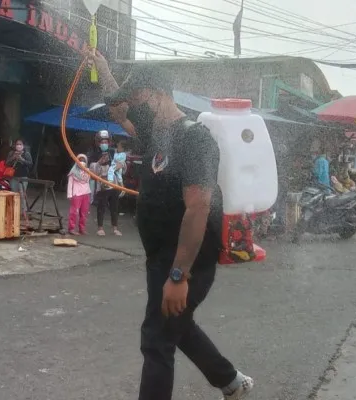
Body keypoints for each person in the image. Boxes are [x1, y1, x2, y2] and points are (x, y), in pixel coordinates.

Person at [89, 51, 253, 400]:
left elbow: (198, 208)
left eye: (137, 99)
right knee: (178, 326)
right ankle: (231, 382)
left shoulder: (195, 139)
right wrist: (102, 66)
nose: (130, 108)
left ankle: (230, 382)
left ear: (156, 94)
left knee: (158, 340)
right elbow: (117, 108)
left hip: (188, 262)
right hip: (160, 256)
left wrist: (178, 277)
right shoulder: (155, 135)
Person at [90, 150, 122, 236]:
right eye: (103, 156)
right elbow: (92, 175)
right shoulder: (95, 164)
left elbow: (123, 168)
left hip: (114, 188)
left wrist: (119, 166)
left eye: (107, 156)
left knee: (114, 208)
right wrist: (99, 163)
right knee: (101, 208)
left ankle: (115, 228)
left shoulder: (113, 163)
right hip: (103, 189)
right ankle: (100, 228)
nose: (105, 158)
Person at [6, 139, 33, 214]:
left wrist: (22, 159)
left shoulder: (26, 154)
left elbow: (30, 164)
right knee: (13, 194)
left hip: (23, 177)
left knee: (22, 195)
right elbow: (7, 163)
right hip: (13, 177)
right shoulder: (11, 153)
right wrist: (13, 158)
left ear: (23, 146)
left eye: (20, 144)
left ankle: (23, 212)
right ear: (15, 145)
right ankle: (13, 211)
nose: (18, 146)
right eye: (17, 144)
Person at [67, 154, 91, 235]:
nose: (82, 162)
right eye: (80, 160)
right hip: (76, 194)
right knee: (74, 212)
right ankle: (71, 228)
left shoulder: (88, 171)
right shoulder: (73, 172)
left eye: (84, 161)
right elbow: (70, 184)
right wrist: (70, 195)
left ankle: (82, 229)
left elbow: (89, 181)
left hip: (86, 193)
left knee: (84, 212)